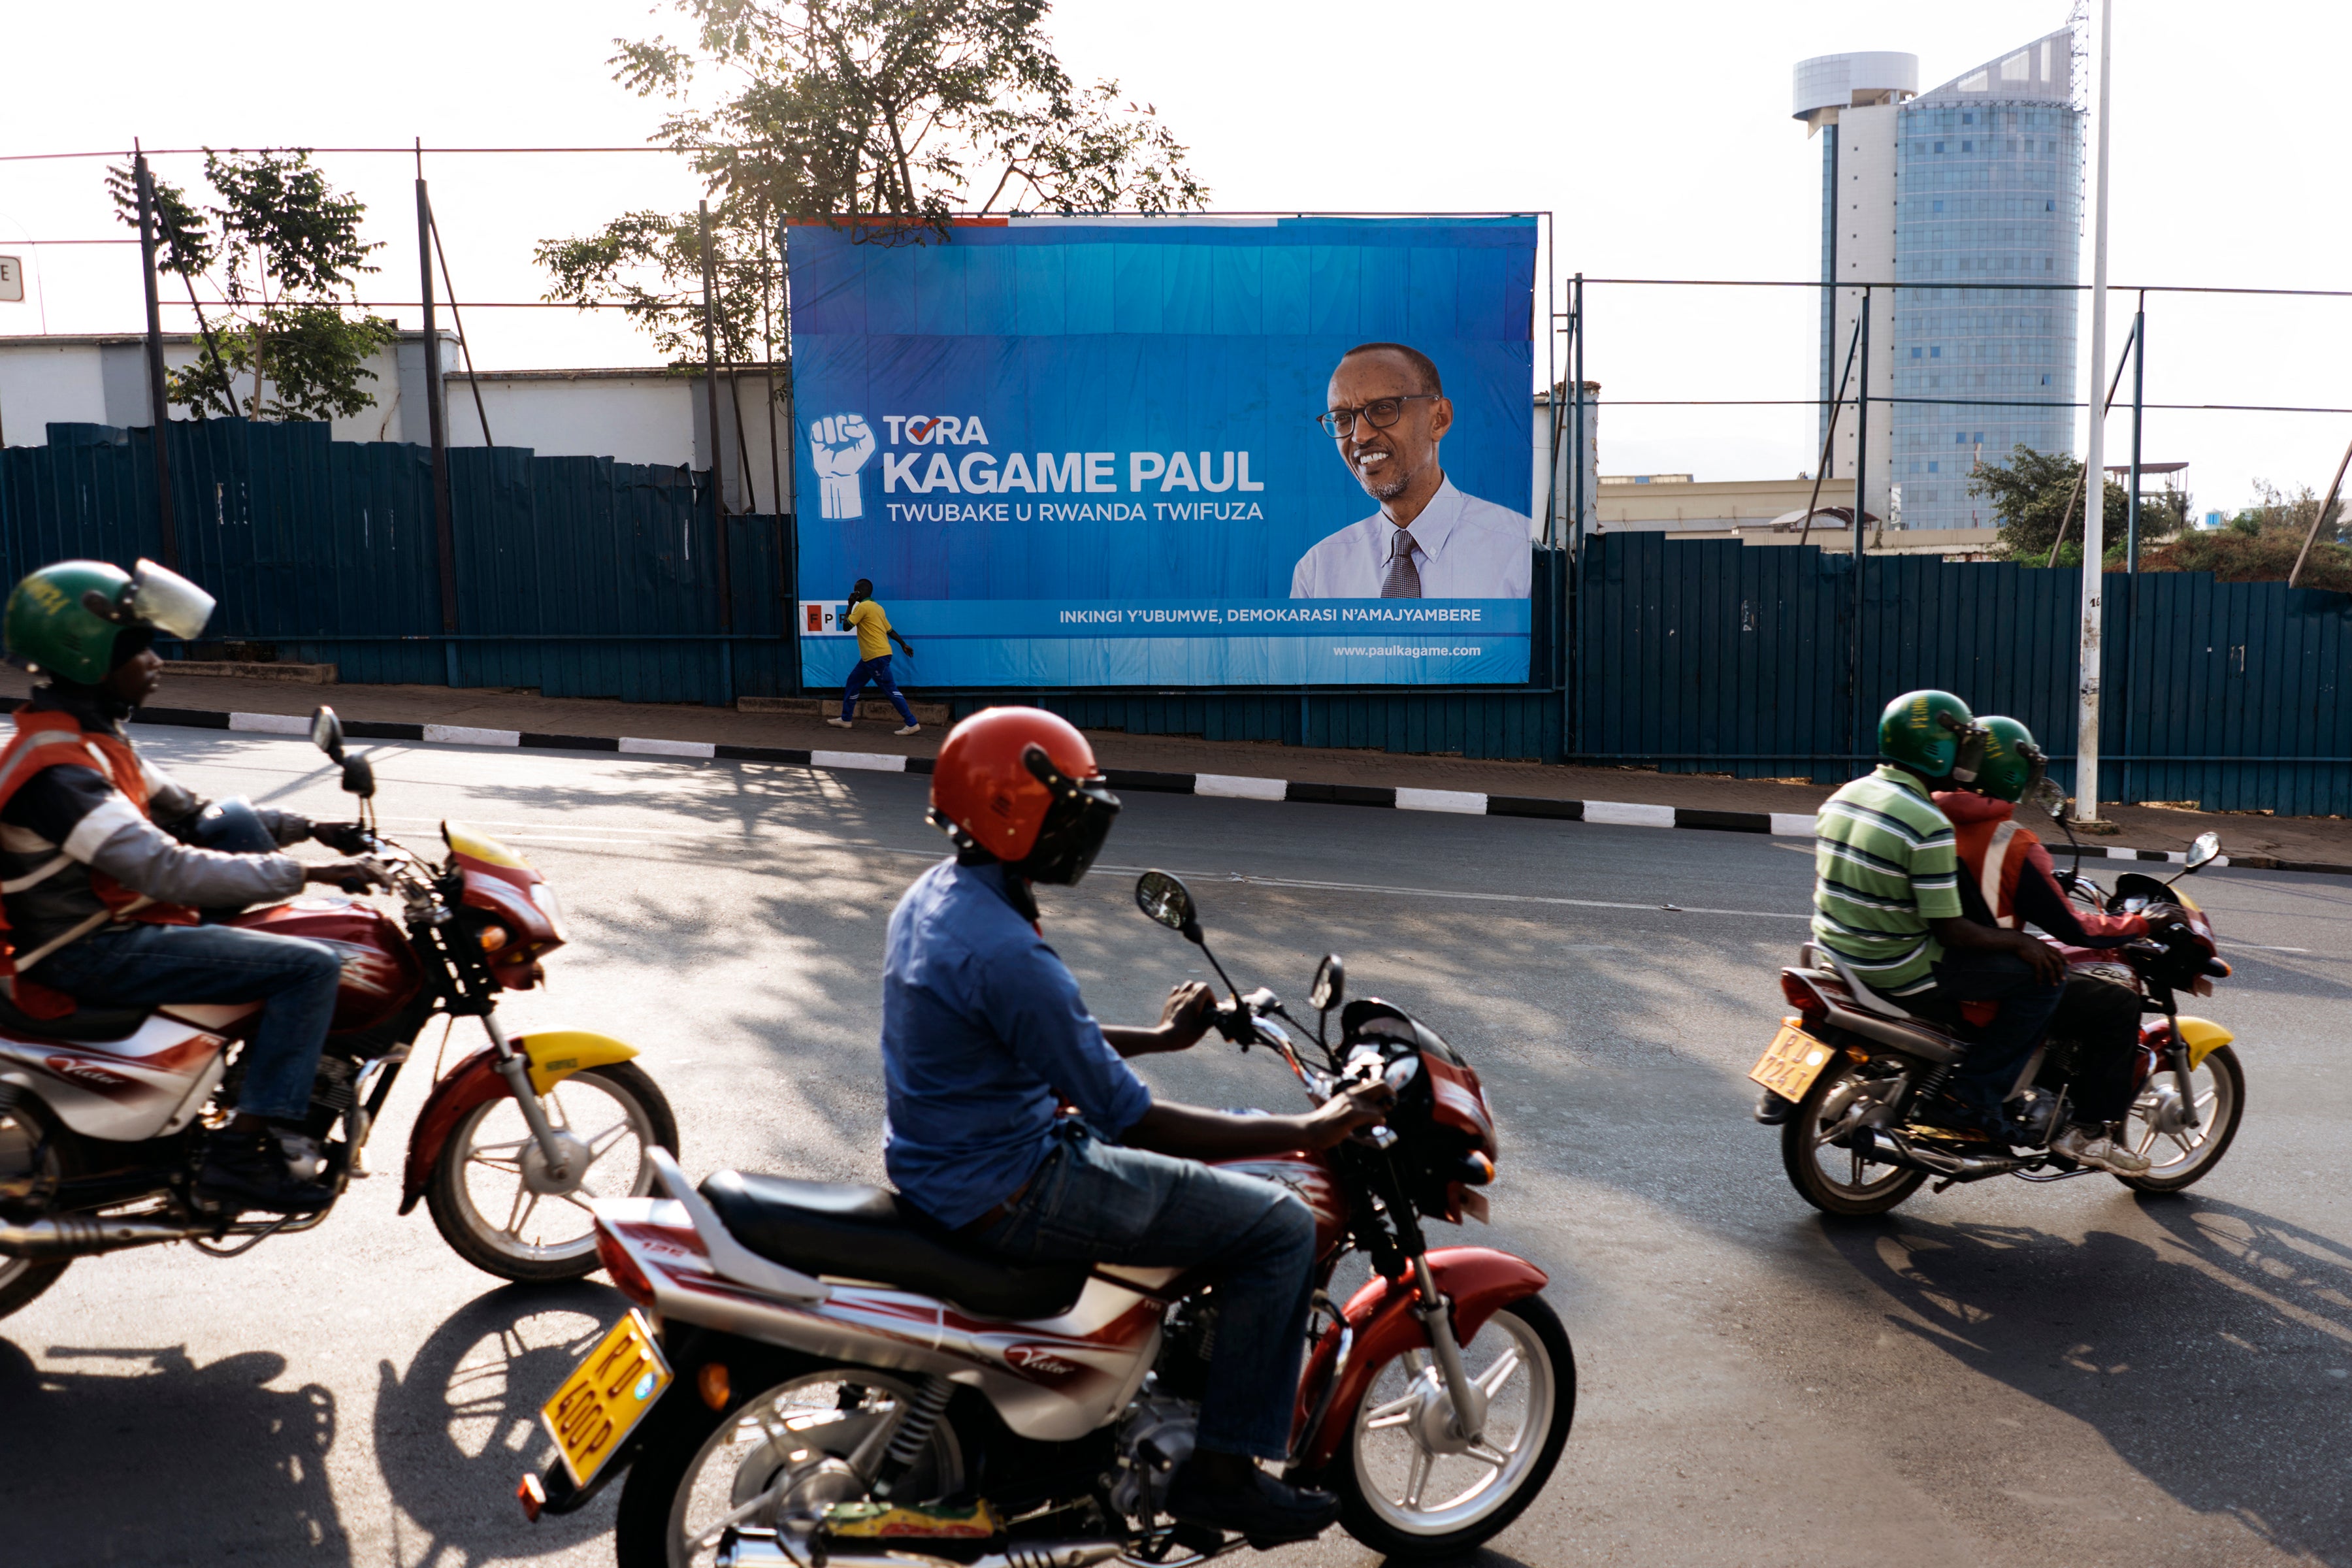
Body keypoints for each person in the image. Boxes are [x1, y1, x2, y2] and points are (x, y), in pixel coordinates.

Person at [885, 706, 1391, 1545]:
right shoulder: (1008, 951)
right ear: (1016, 811)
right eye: (1071, 806)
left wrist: (1159, 1039)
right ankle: (1225, 1478)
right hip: (1012, 1184)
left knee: (1226, 1166)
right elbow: (1135, 1117)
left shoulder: (943, 899)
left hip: (952, 1159)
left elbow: (1040, 1040)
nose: (1084, 826)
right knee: (1273, 1224)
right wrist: (1312, 1130)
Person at [0, 559, 383, 1214]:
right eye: (139, 649)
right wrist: (310, 874)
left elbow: (196, 817)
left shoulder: (91, 744)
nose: (157, 663)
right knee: (311, 969)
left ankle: (238, 1103)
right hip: (88, 950)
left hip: (111, 933)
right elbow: (164, 866)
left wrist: (315, 828)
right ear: (89, 657)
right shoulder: (60, 774)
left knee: (276, 921)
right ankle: (240, 1156)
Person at [1774, 689, 2065, 1135]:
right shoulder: (1925, 823)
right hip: (1898, 969)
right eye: (1964, 744)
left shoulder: (1847, 795)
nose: (1969, 756)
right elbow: (1953, 933)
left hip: (1834, 952)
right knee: (2045, 981)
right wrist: (2020, 942)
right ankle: (1973, 1098)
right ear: (1937, 746)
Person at [1935, 717, 2153, 1175]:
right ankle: (2088, 1132)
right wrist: (2138, 924)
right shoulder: (2011, 842)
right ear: (2016, 776)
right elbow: (2076, 930)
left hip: (1940, 960)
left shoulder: (1929, 815)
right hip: (1985, 974)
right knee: (2114, 1005)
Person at [1289, 342, 1532, 600]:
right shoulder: (1319, 571)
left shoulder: (1519, 552)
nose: (1360, 436)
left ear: (1439, 419)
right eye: (1341, 419)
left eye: (1383, 409)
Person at [829, 578, 920, 736]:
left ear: (860, 593)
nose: (854, 594)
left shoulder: (862, 607)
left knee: (890, 689)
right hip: (871, 657)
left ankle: (912, 723)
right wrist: (902, 644)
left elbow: (846, 627)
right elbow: (890, 630)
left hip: (875, 657)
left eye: (856, 591)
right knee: (853, 682)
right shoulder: (878, 608)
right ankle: (846, 719)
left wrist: (850, 604)